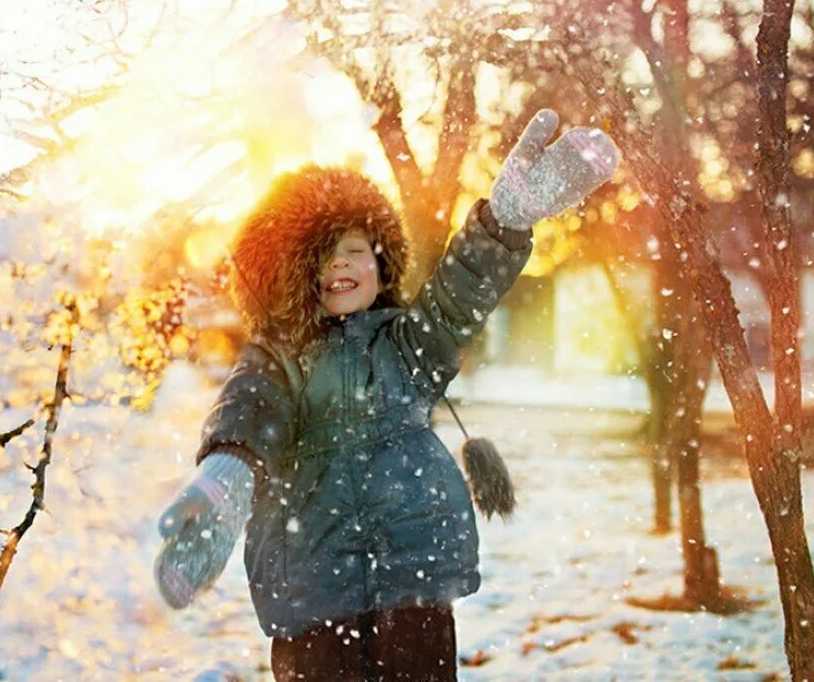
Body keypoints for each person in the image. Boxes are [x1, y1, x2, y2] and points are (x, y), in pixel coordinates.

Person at [154, 110, 619, 681]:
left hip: (412, 584)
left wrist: (504, 221)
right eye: (320, 256)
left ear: (381, 260)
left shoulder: (409, 344)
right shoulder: (277, 358)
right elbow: (252, 409)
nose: (340, 264)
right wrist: (230, 478)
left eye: (354, 249)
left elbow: (457, 294)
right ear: (289, 275)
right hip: (312, 590)